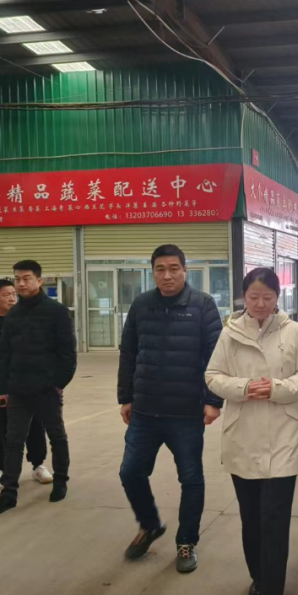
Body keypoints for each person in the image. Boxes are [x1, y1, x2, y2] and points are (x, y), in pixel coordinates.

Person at [206, 268, 298, 595]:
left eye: (267, 298)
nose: (260, 304)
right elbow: (213, 376)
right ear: (244, 296)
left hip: (285, 433)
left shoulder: (294, 331)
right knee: (252, 518)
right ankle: (259, 576)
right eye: (253, 297)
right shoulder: (230, 332)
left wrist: (276, 388)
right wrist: (243, 388)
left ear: (277, 298)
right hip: (243, 436)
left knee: (274, 519)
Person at [117, 245, 224, 573]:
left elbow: (216, 356)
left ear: (184, 270)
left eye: (174, 268)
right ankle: (150, 525)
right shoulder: (141, 305)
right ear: (152, 272)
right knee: (130, 472)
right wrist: (126, 397)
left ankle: (186, 541)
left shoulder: (202, 305)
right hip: (145, 410)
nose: (167, 275)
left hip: (186, 412)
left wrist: (213, 400)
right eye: (160, 269)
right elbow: (128, 352)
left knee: (190, 478)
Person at [0, 260, 77, 515]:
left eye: (26, 278)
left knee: (56, 436)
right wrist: (3, 388)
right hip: (18, 390)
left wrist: (58, 384)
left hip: (47, 390)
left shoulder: (56, 312)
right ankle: (9, 493)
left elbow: (68, 353)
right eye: (17, 279)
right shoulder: (13, 314)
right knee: (13, 441)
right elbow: (4, 354)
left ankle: (60, 482)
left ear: (39, 280)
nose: (21, 283)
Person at [0, 279, 50, 490]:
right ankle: (1, 469)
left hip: (29, 385)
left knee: (34, 426)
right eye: (6, 295)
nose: (12, 299)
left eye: (14, 294)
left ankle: (38, 465)